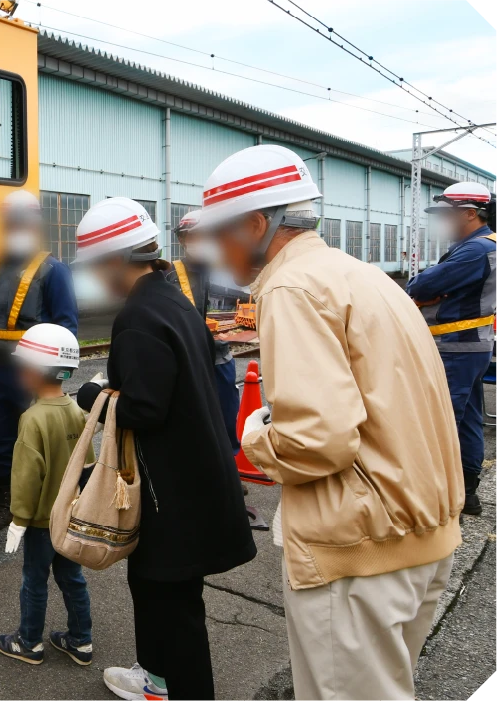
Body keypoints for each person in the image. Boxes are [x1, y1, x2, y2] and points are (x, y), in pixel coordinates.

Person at [196, 144, 462, 701]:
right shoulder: (362, 277)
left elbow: (316, 439)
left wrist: (256, 436)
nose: (213, 250)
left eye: (219, 234)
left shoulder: (292, 289)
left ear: (253, 224)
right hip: (421, 532)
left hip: (359, 550)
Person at [72, 197, 255, 701]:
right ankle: (154, 680)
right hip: (193, 479)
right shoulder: (172, 299)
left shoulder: (138, 316)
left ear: (114, 260)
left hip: (168, 493)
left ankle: (177, 688)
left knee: (170, 608)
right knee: (165, 597)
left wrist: (95, 396)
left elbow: (145, 410)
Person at [0, 189, 79, 533]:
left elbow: (67, 327)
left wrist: (53, 374)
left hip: (35, 372)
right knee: (1, 438)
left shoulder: (53, 271)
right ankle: (7, 503)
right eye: (12, 222)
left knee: (42, 438)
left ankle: (51, 503)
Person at [0, 324, 94, 667]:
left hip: (40, 523)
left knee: (34, 581)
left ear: (35, 372)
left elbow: (25, 478)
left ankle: (29, 642)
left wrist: (18, 520)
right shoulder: (78, 414)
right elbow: (88, 466)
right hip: (70, 517)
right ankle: (81, 641)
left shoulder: (32, 418)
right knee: (72, 578)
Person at [406, 181, 497, 517]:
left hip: (456, 349)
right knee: (467, 419)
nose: (443, 222)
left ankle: (438, 498)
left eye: (448, 214)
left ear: (470, 214)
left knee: (439, 421)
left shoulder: (475, 250)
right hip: (470, 347)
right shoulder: (480, 245)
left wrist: (426, 288)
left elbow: (422, 284)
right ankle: (467, 494)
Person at [165, 209, 241, 453]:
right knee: (189, 421)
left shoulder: (230, 271)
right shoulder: (169, 275)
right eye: (191, 236)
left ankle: (229, 473)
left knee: (226, 418)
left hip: (219, 360)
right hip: (185, 363)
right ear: (182, 240)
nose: (197, 242)